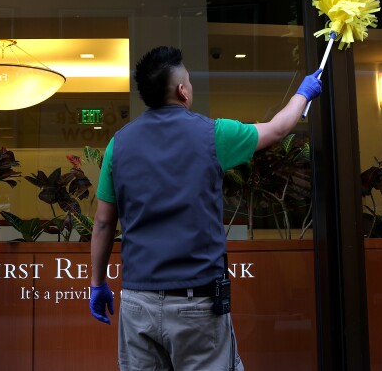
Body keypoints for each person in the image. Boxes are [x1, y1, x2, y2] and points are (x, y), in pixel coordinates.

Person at [88, 45, 323, 371]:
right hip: (195, 302)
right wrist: (304, 92)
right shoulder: (214, 134)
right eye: (189, 81)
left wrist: (97, 284)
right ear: (182, 91)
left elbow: (102, 224)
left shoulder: (119, 143)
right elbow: (278, 128)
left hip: (136, 300)